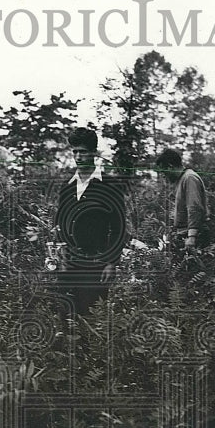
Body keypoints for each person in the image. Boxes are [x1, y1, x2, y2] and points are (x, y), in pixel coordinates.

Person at [54, 127, 127, 315]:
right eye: (75, 152)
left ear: (94, 153)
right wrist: (60, 254)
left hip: (96, 263)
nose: (78, 156)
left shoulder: (110, 185)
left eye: (83, 152)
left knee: (92, 315)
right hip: (68, 263)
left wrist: (111, 263)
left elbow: (119, 227)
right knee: (66, 314)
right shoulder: (67, 187)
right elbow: (60, 223)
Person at [154, 148, 210, 249]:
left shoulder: (189, 178)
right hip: (185, 235)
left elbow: (194, 207)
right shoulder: (182, 179)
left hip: (192, 238)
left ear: (170, 167)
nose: (163, 175)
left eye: (163, 171)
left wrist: (192, 236)